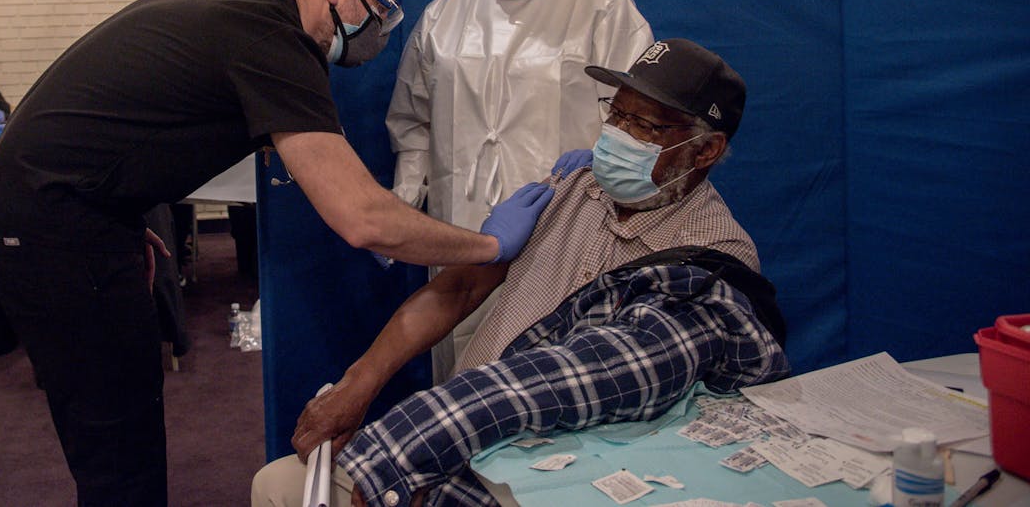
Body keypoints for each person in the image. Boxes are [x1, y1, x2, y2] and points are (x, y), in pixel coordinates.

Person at [0, 0, 558, 506]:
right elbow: (364, 220)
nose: (380, 28)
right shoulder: (274, 44)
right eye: (380, 8)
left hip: (72, 212)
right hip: (50, 224)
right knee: (116, 438)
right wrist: (489, 245)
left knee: (129, 415)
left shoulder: (240, 8)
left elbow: (112, 123)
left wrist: (117, 215)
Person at [253, 37, 771, 506]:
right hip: (459, 434)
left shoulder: (710, 261)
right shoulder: (570, 187)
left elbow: (584, 378)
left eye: (646, 125)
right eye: (617, 114)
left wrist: (414, 444)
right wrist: (357, 385)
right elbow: (457, 290)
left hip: (556, 470)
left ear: (705, 149)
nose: (618, 135)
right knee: (277, 486)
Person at [386, 0, 653, 373]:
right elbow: (412, 121)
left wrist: (609, 182)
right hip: (460, 221)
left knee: (558, 365)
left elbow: (642, 120)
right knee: (463, 362)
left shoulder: (601, 7)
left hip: (567, 222)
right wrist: (402, 203)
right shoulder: (444, 15)